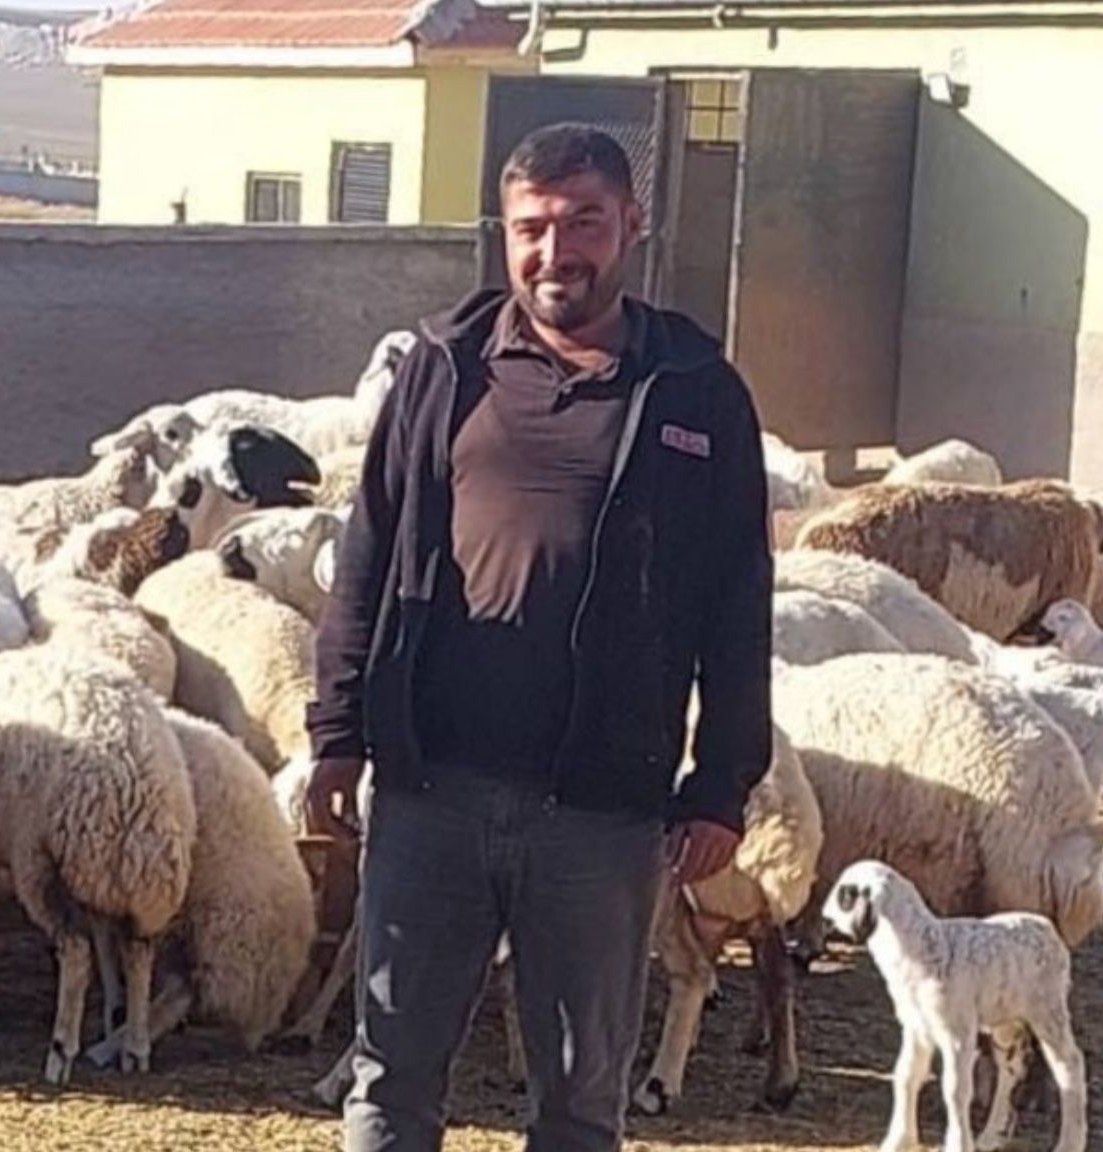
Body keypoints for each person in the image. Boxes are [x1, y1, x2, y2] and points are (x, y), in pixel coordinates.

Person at [303, 123, 773, 1152]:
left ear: (629, 227)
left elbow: (736, 600)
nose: (554, 252)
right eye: (531, 228)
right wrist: (336, 729)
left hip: (600, 809)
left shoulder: (695, 389)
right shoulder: (443, 365)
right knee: (391, 1081)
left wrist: (722, 781)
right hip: (431, 788)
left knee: (575, 1102)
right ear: (504, 234)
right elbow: (369, 550)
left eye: (581, 224)